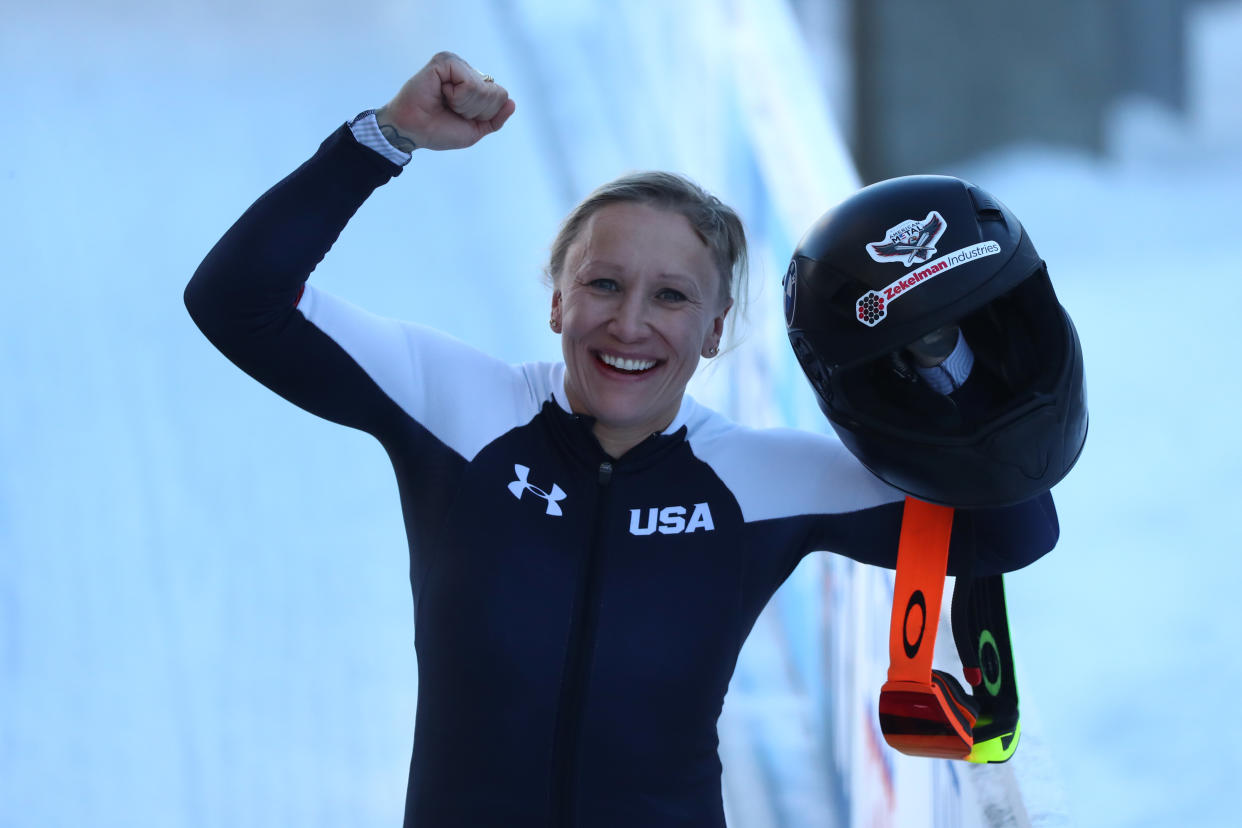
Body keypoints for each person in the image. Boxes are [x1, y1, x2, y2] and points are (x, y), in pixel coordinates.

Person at [185, 51, 1058, 828]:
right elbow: (235, 299)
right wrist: (385, 139)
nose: (630, 324)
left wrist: (938, 349)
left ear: (716, 329)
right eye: (603, 284)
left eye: (673, 297)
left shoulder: (762, 483)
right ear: (558, 300)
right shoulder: (461, 411)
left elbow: (1013, 525)